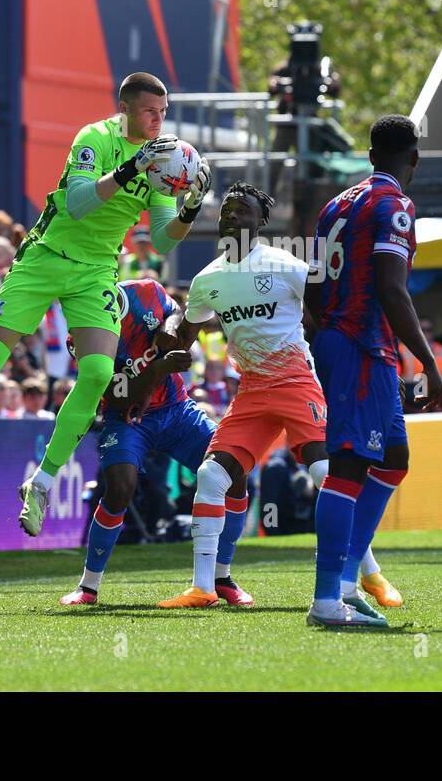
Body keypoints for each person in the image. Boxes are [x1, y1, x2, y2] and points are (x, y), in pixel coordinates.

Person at [0, 73, 213, 533]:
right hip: (45, 258)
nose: (159, 120)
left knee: (99, 373)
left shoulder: (163, 162)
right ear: (125, 109)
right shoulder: (94, 138)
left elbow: (161, 242)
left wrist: (191, 207)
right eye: (149, 111)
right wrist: (128, 169)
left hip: (96, 270)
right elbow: (78, 204)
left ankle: (39, 483)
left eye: (163, 112)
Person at [153, 182, 338, 611]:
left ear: (261, 222)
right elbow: (185, 333)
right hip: (252, 389)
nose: (233, 216)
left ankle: (361, 573)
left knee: (324, 475)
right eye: (227, 210)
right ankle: (203, 587)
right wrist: (169, 331)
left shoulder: (284, 264)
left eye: (243, 211)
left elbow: (327, 313)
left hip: (295, 382)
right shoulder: (207, 279)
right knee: (211, 477)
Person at [301, 114, 442, 627]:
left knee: (394, 457)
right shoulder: (396, 206)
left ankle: (344, 583)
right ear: (414, 159)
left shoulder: (335, 205)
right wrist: (428, 359)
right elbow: (391, 287)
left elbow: (314, 285)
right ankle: (326, 600)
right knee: (348, 466)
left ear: (369, 156)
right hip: (362, 344)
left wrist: (330, 333)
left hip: (356, 344)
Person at [59, 279, 252, 607]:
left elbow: (176, 310)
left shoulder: (145, 290)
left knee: (234, 472)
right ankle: (88, 586)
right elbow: (121, 400)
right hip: (128, 419)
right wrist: (160, 367)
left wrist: (170, 324)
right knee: (119, 488)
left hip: (178, 410)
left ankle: (222, 576)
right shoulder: (81, 336)